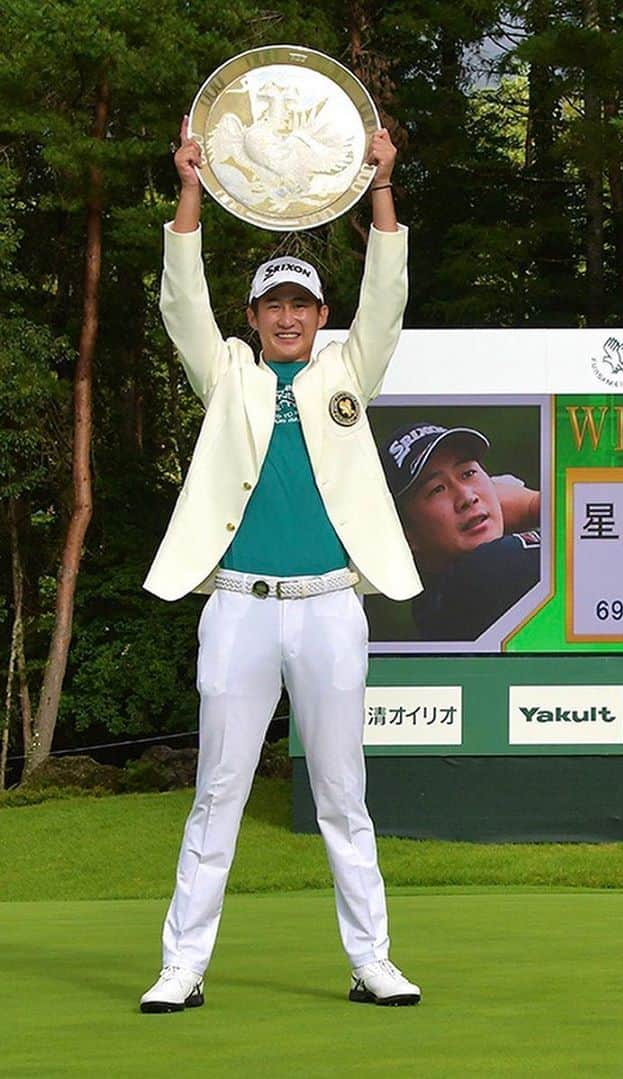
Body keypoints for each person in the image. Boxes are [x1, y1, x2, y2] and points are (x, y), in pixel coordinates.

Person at [139, 117, 422, 1013]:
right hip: (239, 609)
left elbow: (389, 296)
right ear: (255, 317)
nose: (289, 315)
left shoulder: (349, 366)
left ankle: (371, 959)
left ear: (319, 314)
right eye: (274, 305)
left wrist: (380, 183)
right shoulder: (226, 374)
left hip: (331, 605)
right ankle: (182, 966)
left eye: (302, 302)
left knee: (345, 795)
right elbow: (181, 301)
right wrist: (189, 185)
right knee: (216, 793)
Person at [380, 421, 541, 640]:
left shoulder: (433, 602)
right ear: (406, 534)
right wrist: (533, 505)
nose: (466, 497)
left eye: (468, 473)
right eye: (437, 489)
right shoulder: (483, 572)